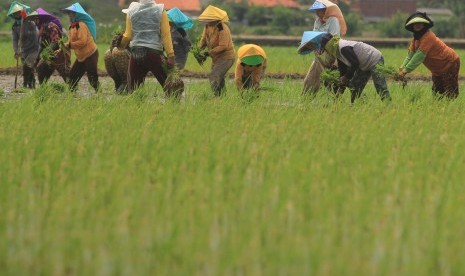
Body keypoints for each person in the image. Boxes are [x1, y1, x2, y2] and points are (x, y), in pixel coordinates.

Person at [119, 0, 177, 96]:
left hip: (136, 54)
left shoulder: (131, 10)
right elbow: (165, 35)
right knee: (169, 86)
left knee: (134, 90)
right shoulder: (160, 10)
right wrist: (171, 56)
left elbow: (128, 36)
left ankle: (137, 109)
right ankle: (174, 107)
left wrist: (121, 46)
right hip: (153, 54)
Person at [397, 12, 460, 99]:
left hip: (450, 62)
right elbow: (410, 56)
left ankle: (452, 109)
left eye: (420, 23)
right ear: (412, 26)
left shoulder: (429, 36)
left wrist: (405, 71)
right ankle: (439, 109)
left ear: (424, 24)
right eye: (415, 23)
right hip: (437, 68)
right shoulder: (415, 40)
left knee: (450, 90)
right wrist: (401, 68)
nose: (417, 25)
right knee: (437, 91)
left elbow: (419, 56)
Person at [319, 33, 391, 103]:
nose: (327, 51)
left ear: (329, 45)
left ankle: (388, 105)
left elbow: (355, 63)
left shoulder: (343, 48)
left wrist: (346, 77)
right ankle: (357, 105)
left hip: (374, 58)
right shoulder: (338, 53)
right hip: (363, 64)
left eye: (326, 49)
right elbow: (342, 71)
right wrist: (341, 88)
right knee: (355, 87)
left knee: (380, 85)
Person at [303, 0, 346, 94]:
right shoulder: (317, 21)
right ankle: (307, 97)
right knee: (311, 79)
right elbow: (314, 36)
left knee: (330, 80)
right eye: (316, 11)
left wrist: (322, 46)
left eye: (320, 11)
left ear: (326, 10)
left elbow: (334, 38)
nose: (318, 13)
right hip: (319, 55)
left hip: (331, 55)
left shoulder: (333, 20)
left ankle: (336, 99)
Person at [62, 2, 100, 92]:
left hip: (91, 54)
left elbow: (82, 41)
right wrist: (64, 46)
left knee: (92, 77)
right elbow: (70, 41)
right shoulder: (71, 27)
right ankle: (72, 96)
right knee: (72, 76)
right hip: (81, 56)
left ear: (76, 14)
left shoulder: (81, 25)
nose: (69, 15)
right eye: (69, 13)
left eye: (71, 13)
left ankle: (99, 94)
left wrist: (70, 45)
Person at [198, 5, 235, 97]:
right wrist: (199, 50)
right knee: (219, 78)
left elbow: (223, 46)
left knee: (214, 76)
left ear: (215, 19)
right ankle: (222, 97)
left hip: (226, 58)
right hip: (216, 58)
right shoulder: (207, 26)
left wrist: (208, 53)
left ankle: (217, 97)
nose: (207, 21)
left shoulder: (222, 28)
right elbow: (203, 40)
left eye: (209, 19)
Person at [27, 8, 70, 84]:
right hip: (49, 54)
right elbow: (43, 44)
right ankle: (43, 88)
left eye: (34, 20)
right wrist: (39, 56)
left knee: (64, 72)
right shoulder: (42, 27)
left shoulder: (50, 26)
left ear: (38, 19)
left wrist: (46, 53)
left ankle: (73, 90)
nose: (34, 22)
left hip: (58, 52)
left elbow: (56, 41)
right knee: (41, 68)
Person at [8, 1, 39, 89]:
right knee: (27, 69)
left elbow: (35, 35)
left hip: (34, 49)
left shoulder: (30, 23)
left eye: (18, 12)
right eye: (15, 13)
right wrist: (16, 51)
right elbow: (15, 40)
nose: (17, 14)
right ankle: (31, 85)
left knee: (28, 65)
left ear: (22, 12)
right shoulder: (15, 26)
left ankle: (25, 84)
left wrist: (27, 34)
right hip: (23, 50)